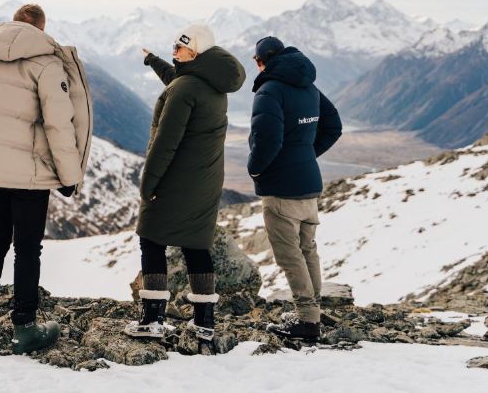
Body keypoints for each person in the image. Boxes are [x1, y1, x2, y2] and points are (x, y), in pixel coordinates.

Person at [0, 3, 93, 354]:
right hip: (29, 172)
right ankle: (24, 328)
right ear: (41, 29)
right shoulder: (46, 63)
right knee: (27, 247)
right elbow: (59, 123)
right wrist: (69, 176)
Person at [125, 24, 246, 345]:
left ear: (195, 52)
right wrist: (153, 61)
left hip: (176, 179)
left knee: (151, 240)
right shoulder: (211, 84)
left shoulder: (184, 89)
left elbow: (165, 142)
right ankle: (204, 321)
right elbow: (179, 79)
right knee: (196, 245)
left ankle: (152, 318)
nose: (174, 52)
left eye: (179, 48)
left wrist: (148, 183)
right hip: (205, 181)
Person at [247, 36, 342, 342]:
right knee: (308, 250)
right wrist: (305, 155)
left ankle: (307, 322)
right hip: (308, 184)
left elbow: (268, 141)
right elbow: (334, 126)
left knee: (290, 256)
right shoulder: (309, 86)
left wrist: (255, 169)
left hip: (281, 188)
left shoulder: (269, 91)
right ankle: (313, 313)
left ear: (261, 61)